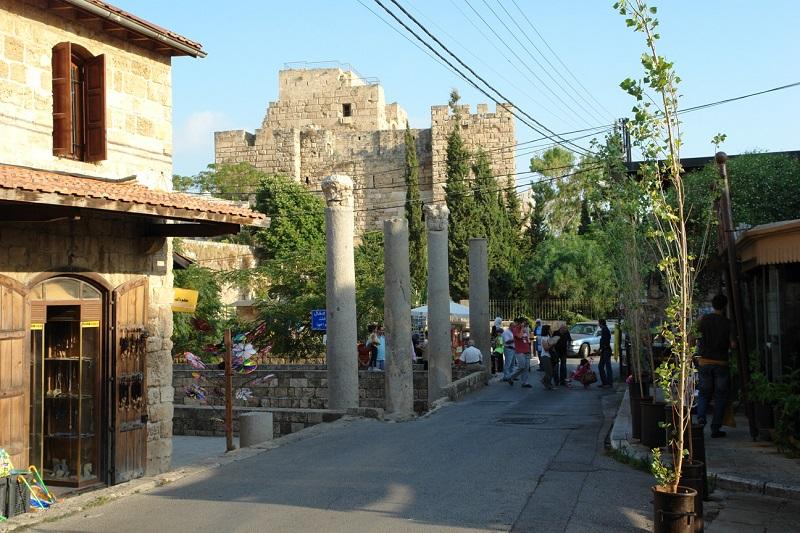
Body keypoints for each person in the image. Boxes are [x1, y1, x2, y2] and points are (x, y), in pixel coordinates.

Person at [695, 294, 734, 438]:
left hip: (704, 361)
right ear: (725, 306)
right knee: (720, 396)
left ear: (712, 305)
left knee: (704, 393)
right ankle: (715, 428)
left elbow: (692, 334)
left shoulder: (703, 320)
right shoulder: (728, 323)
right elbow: (733, 344)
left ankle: (700, 418)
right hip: (721, 363)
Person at [507, 317, 532, 388]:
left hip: (526, 350)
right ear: (520, 323)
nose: (526, 324)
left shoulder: (526, 329)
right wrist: (521, 328)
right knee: (521, 367)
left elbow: (527, 340)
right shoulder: (515, 329)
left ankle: (525, 382)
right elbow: (520, 336)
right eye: (524, 323)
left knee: (526, 368)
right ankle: (510, 377)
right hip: (520, 351)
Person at [539, 325, 557, 390]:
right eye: (550, 329)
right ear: (547, 330)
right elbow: (546, 348)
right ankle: (546, 383)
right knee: (549, 372)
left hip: (550, 356)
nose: (551, 330)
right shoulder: (543, 338)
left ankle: (546, 382)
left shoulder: (548, 337)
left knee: (551, 371)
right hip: (545, 356)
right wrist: (553, 344)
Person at [597, 318, 613, 388]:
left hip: (606, 350)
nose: (598, 324)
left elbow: (604, 341)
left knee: (605, 366)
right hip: (605, 350)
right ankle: (606, 382)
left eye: (599, 323)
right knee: (602, 366)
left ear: (601, 323)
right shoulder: (605, 329)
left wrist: (601, 348)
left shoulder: (605, 330)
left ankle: (608, 383)